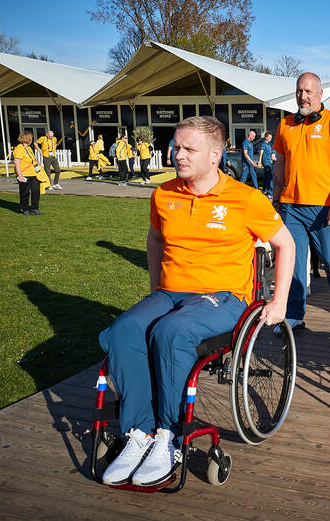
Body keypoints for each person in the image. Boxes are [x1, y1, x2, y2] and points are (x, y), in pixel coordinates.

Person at [98, 115, 295, 487]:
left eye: (189, 148)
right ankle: (139, 434)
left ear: (216, 155)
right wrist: (156, 286)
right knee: (123, 330)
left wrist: (279, 301)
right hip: (172, 292)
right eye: (176, 146)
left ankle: (168, 437)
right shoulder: (164, 193)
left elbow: (287, 244)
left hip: (224, 298)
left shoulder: (245, 198)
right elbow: (155, 239)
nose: (178, 154)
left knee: (172, 333)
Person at [273, 72, 330, 330]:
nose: (303, 96)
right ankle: (295, 313)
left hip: (323, 207)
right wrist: (276, 198)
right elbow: (281, 165)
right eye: (299, 90)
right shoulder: (286, 124)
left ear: (320, 94)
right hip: (291, 207)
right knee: (294, 261)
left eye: (309, 91)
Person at [12, 132, 43, 215]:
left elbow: (33, 160)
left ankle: (34, 208)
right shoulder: (19, 149)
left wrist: (38, 163)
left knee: (36, 191)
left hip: (34, 173)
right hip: (25, 174)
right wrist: (20, 176)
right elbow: (17, 163)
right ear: (27, 139)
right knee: (24, 193)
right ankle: (25, 208)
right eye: (31, 138)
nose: (32, 140)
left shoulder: (29, 148)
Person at [257, 131, 275, 198]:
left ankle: (264, 189)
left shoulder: (269, 144)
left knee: (266, 176)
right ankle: (270, 193)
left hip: (269, 161)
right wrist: (259, 161)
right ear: (266, 137)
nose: (270, 138)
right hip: (266, 162)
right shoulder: (263, 144)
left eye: (271, 137)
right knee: (270, 176)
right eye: (269, 137)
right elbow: (261, 153)